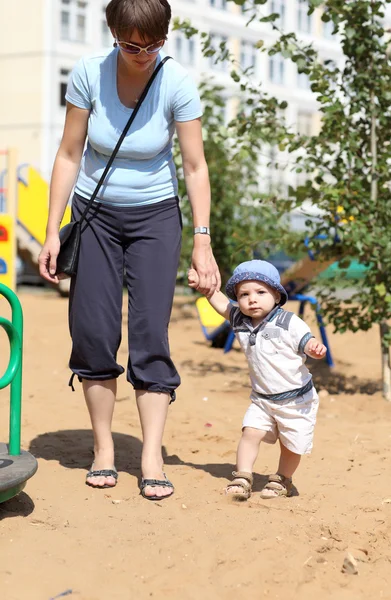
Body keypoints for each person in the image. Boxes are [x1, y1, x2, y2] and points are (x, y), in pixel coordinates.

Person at [38, 0, 220, 500]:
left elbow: (195, 165)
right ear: (113, 34)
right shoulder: (88, 74)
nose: (141, 55)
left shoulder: (177, 81)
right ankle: (103, 449)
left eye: (153, 45)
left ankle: (151, 453)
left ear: (165, 37)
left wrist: (202, 242)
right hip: (94, 216)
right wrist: (53, 229)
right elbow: (69, 153)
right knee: (93, 331)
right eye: (130, 45)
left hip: (156, 218)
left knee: (148, 333)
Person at [188, 259, 326, 500]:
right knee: (250, 432)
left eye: (261, 292)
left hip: (295, 401)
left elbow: (306, 340)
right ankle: (242, 476)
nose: (252, 299)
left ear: (276, 295)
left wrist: (313, 347)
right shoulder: (240, 320)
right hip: (261, 399)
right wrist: (206, 288)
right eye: (244, 294)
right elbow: (220, 302)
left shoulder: (288, 322)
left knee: (291, 445)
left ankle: (283, 479)